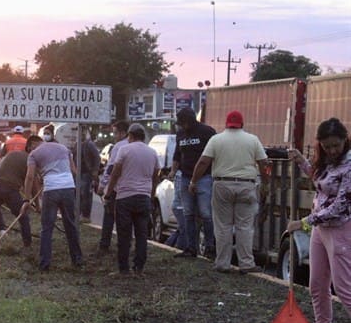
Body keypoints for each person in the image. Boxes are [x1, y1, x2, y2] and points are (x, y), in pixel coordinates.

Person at [287, 118, 351, 323]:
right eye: (327, 146)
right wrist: (302, 162)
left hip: (341, 230)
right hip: (320, 230)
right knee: (317, 287)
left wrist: (303, 222)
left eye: (336, 145)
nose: (332, 150)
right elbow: (320, 181)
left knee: (345, 290)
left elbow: (339, 207)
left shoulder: (350, 166)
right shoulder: (326, 163)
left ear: (345, 140)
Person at [189, 110, 269, 273]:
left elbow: (204, 161)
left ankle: (223, 263)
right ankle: (246, 263)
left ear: (226, 124)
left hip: (222, 185)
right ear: (242, 124)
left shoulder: (216, 139)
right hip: (247, 185)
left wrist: (193, 181)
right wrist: (266, 184)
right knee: (245, 227)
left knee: (223, 226)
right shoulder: (252, 140)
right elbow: (264, 162)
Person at [103, 123, 160, 275]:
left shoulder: (124, 149)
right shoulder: (152, 152)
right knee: (142, 234)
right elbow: (155, 176)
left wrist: (108, 193)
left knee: (124, 235)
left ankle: (124, 269)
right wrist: (151, 194)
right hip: (144, 198)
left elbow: (115, 173)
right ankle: (139, 268)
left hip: (125, 197)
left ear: (131, 136)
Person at [22, 131, 84, 271]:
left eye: (29, 149)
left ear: (32, 144)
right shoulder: (63, 148)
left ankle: (44, 264)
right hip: (68, 188)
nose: (29, 152)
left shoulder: (34, 154)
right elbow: (74, 171)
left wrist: (26, 199)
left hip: (51, 189)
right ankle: (77, 259)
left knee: (47, 228)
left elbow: (30, 177)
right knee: (70, 225)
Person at [168, 107, 216, 259]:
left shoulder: (207, 132)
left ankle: (210, 247)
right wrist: (173, 171)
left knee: (206, 214)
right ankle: (190, 248)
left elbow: (214, 154)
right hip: (185, 177)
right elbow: (177, 155)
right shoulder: (180, 134)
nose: (182, 126)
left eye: (183, 123)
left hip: (204, 178)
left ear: (190, 121)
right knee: (188, 213)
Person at [0, 135, 42, 252]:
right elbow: (34, 185)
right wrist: (37, 205)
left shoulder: (11, 154)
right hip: (9, 188)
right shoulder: (31, 160)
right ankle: (28, 245)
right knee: (23, 217)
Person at [96, 120, 129, 254]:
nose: (114, 136)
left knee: (109, 215)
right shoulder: (139, 146)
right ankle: (124, 245)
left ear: (123, 133)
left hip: (117, 187)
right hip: (131, 189)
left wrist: (103, 185)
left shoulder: (119, 146)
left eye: (115, 133)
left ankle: (105, 244)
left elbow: (110, 168)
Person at [79, 127, 101, 223]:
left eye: (83, 132)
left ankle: (86, 215)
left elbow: (97, 157)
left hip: (87, 173)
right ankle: (79, 214)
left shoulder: (89, 144)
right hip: (78, 173)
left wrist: (95, 170)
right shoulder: (77, 144)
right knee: (79, 194)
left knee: (86, 194)